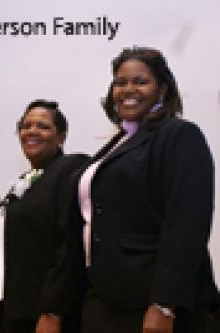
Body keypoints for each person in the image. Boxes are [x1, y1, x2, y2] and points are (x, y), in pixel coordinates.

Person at [72, 47, 220, 332]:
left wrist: (164, 303)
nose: (128, 89)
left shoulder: (179, 135)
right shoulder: (117, 143)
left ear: (162, 88)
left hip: (152, 302)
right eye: (120, 82)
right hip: (105, 302)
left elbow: (187, 223)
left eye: (140, 81)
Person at [0, 100, 88, 333]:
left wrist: (53, 310)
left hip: (45, 315)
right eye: (26, 126)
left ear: (61, 136)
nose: (31, 131)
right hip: (9, 311)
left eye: (43, 127)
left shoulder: (70, 169)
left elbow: (69, 245)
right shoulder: (23, 183)